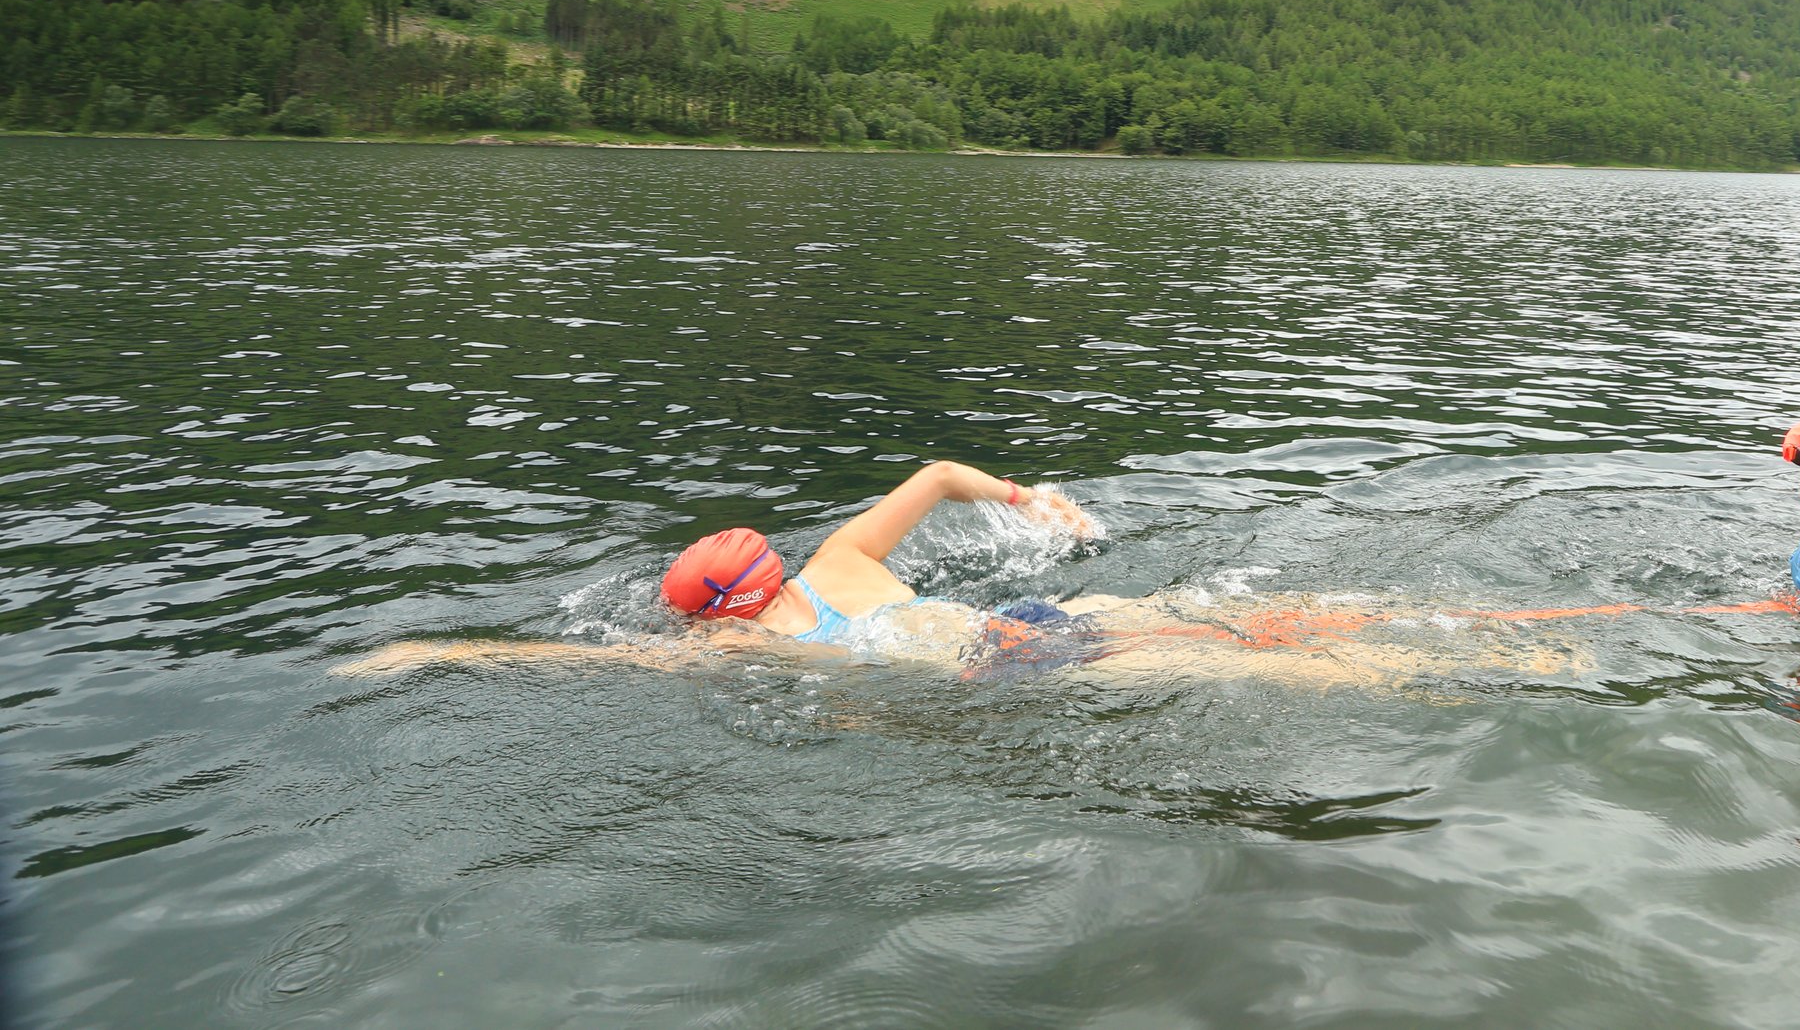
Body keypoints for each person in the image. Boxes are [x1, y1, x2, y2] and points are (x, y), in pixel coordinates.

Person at [337, 460, 1634, 685]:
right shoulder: (843, 554)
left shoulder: (738, 649)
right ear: (773, 560)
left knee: (1293, 679)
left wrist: (434, 649)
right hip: (1035, 607)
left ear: (710, 618)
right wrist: (1035, 502)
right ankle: (1471, 626)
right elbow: (946, 472)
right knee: (1246, 620)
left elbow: (560, 670)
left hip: (1014, 661)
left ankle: (1506, 658)